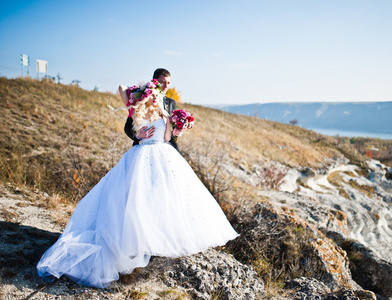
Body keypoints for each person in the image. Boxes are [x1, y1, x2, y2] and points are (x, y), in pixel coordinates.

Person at [36, 78, 239, 288]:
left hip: (164, 156)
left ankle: (159, 240)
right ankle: (136, 243)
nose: (155, 98)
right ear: (146, 96)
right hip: (140, 156)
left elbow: (168, 138)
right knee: (136, 198)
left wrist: (175, 125)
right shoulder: (137, 112)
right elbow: (122, 90)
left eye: (156, 95)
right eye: (151, 95)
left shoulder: (164, 114)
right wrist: (140, 132)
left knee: (165, 198)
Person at [124, 68, 178, 151]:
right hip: (142, 149)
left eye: (168, 83)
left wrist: (177, 131)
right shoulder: (141, 102)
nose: (166, 86)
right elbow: (128, 127)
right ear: (154, 82)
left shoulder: (171, 103)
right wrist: (138, 134)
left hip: (167, 150)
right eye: (162, 82)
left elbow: (172, 132)